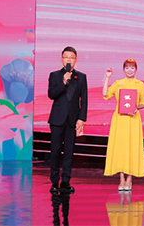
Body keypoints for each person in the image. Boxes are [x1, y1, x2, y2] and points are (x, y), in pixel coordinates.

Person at [47, 46, 88, 195]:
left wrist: (81, 118)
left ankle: (66, 181)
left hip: (72, 119)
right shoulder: (55, 75)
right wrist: (63, 82)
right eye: (66, 57)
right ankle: (54, 181)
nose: (68, 59)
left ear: (76, 60)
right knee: (55, 151)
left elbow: (84, 99)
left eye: (71, 57)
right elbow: (51, 94)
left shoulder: (81, 77)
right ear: (62, 59)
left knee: (69, 152)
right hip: (57, 119)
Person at [103, 59, 144, 191]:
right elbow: (105, 94)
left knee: (132, 147)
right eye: (127, 68)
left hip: (133, 119)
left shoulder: (140, 84)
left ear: (136, 70)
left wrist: (135, 108)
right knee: (121, 148)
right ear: (124, 70)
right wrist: (107, 77)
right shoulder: (118, 83)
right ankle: (121, 179)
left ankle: (129, 179)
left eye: (132, 68)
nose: (130, 70)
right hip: (120, 119)